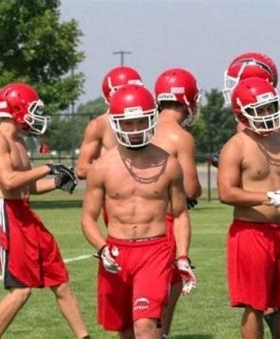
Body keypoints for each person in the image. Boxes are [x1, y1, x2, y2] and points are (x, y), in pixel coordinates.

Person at [81, 84, 197, 338]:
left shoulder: (169, 164)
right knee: (125, 330)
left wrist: (182, 256)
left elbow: (179, 214)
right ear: (116, 124)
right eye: (128, 123)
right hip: (116, 251)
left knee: (146, 325)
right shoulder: (101, 167)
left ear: (151, 119)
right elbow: (88, 218)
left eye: (140, 121)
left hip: (155, 250)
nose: (135, 130)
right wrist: (102, 247)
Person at [0, 82, 90, 339]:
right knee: (20, 290)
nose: (35, 115)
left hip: (25, 213)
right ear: (17, 108)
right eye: (31, 109)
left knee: (61, 282)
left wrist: (57, 181)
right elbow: (8, 182)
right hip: (6, 214)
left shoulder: (18, 141)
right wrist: (48, 167)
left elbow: (29, 187)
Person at [223, 51, 280, 338]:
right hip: (251, 231)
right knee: (255, 306)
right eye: (258, 110)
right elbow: (226, 192)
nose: (266, 114)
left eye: (270, 107)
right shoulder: (236, 146)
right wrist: (268, 197)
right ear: (242, 113)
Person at [152, 68, 202, 338]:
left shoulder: (141, 128)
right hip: (167, 219)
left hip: (133, 219)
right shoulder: (179, 136)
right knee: (167, 287)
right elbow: (192, 188)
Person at [76, 66, 143, 179]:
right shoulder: (99, 125)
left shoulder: (149, 121)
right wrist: (128, 172)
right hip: (113, 192)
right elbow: (82, 169)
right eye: (126, 91)